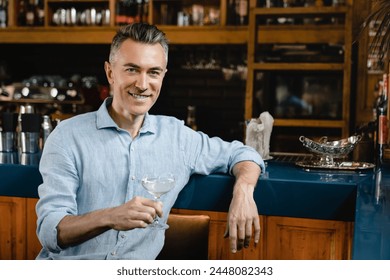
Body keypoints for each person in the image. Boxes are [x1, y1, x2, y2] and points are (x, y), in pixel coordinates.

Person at [35, 22, 265, 260]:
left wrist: (244, 193)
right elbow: (50, 231)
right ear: (110, 72)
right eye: (132, 70)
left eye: (153, 72)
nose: (143, 84)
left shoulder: (178, 137)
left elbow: (243, 154)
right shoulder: (67, 136)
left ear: (163, 76)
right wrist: (110, 217)